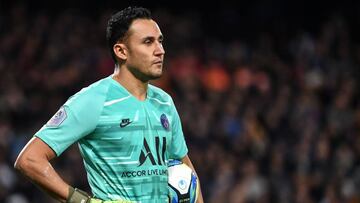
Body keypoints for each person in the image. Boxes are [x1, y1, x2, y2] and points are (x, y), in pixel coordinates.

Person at [14, 6, 204, 203]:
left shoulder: (164, 102)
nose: (160, 50)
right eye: (148, 42)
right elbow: (29, 159)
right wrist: (84, 201)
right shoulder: (93, 100)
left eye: (160, 41)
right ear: (121, 51)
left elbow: (187, 170)